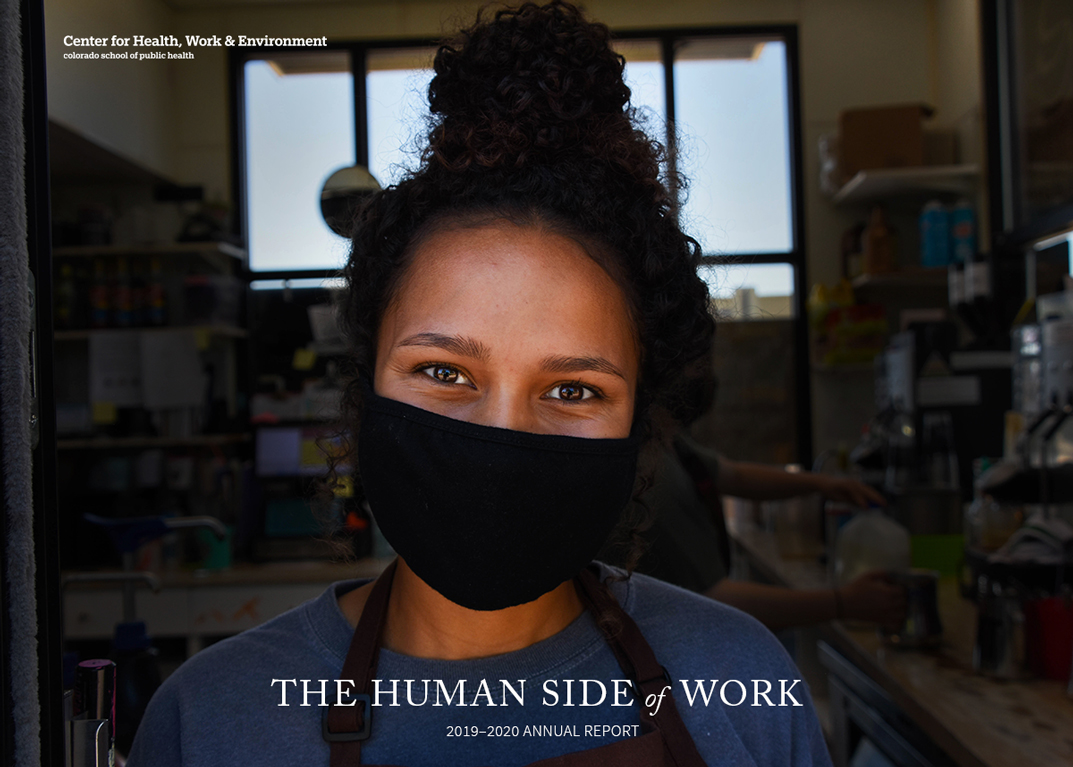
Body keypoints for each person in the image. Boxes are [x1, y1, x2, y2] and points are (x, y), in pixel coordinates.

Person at [126, 3, 832, 765]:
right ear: (364, 385)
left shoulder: (740, 681)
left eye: (572, 390)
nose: (501, 438)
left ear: (642, 421)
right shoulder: (212, 720)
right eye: (443, 372)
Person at [635, 434, 907, 632]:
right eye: (698, 363)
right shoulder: (651, 474)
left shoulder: (666, 440)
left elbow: (733, 475)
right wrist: (842, 603)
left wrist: (823, 484)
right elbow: (715, 601)